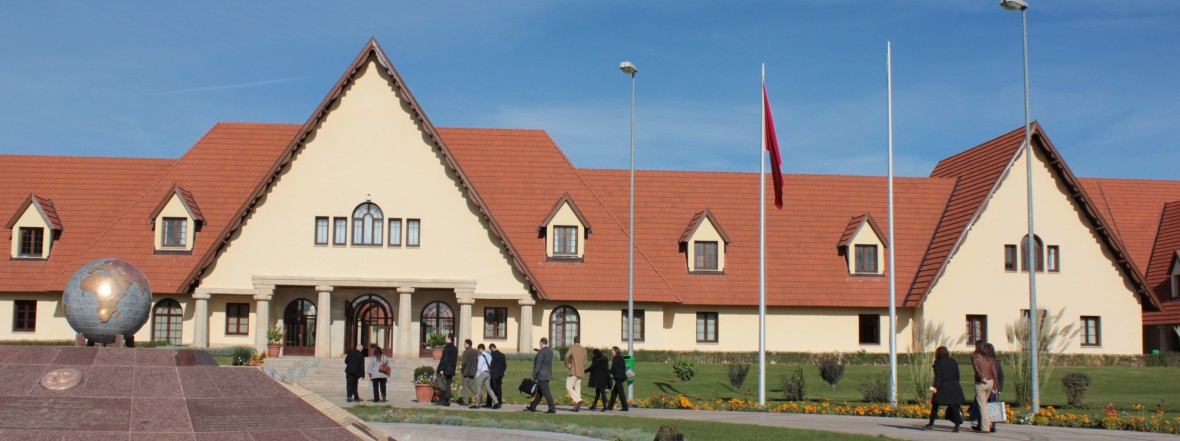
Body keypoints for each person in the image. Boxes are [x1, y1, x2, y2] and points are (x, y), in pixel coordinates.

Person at [923, 346, 964, 432]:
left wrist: (935, 387)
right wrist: (955, 383)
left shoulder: (938, 363)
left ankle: (931, 423)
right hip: (954, 385)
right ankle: (957, 425)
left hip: (943, 386)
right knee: (953, 405)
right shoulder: (953, 361)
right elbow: (957, 375)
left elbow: (938, 377)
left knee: (935, 405)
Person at [971, 343, 1004, 433]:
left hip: (982, 383)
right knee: (984, 405)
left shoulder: (976, 357)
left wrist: (982, 377)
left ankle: (986, 426)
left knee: (983, 406)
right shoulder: (991, 359)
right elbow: (995, 373)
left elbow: (976, 369)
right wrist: (996, 386)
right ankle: (987, 423)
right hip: (991, 382)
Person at [524, 337, 556, 413]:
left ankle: (552, 408)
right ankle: (533, 406)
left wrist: (533, 375)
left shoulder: (541, 352)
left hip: (541, 375)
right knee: (539, 393)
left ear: (541, 342)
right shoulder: (550, 351)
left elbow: (538, 365)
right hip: (547, 374)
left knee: (546, 392)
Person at [472, 343, 499, 409]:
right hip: (488, 373)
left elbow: (479, 366)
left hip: (482, 373)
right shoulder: (489, 355)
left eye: (478, 350)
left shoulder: (481, 356)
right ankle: (496, 402)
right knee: (489, 389)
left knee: (479, 389)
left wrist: (477, 374)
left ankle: (477, 404)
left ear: (480, 349)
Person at [565, 336, 587, 412]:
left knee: (568, 386)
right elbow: (585, 362)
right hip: (581, 371)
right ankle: (576, 407)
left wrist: (567, 364)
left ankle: (578, 400)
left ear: (574, 341)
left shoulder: (572, 348)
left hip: (573, 370)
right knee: (577, 388)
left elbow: (566, 356)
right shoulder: (584, 350)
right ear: (579, 341)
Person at [435, 334, 458, 406]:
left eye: (446, 337)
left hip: (446, 368)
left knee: (443, 385)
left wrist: (441, 369)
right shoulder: (455, 348)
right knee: (448, 384)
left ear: (449, 338)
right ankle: (447, 400)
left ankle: (449, 397)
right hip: (452, 368)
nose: (445, 338)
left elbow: (445, 359)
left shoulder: (447, 348)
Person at [605, 346, 629, 411]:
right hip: (622, 377)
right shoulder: (621, 358)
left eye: (612, 350)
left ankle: (625, 407)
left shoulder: (615, 358)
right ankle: (610, 406)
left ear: (616, 351)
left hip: (618, 378)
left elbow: (613, 368)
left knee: (621, 392)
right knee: (614, 392)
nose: (611, 352)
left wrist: (608, 373)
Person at [485, 343, 506, 409]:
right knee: (499, 389)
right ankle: (499, 402)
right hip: (500, 374)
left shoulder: (492, 355)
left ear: (492, 348)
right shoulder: (502, 355)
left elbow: (490, 364)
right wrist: (501, 372)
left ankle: (489, 403)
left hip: (493, 374)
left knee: (490, 388)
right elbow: (505, 365)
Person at [460, 338, 478, 406]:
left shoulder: (466, 352)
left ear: (468, 344)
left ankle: (466, 401)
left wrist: (462, 368)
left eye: (465, 343)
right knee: (471, 385)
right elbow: (477, 360)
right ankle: (479, 395)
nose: (464, 344)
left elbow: (464, 362)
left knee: (464, 386)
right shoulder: (475, 351)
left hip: (466, 371)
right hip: (473, 371)